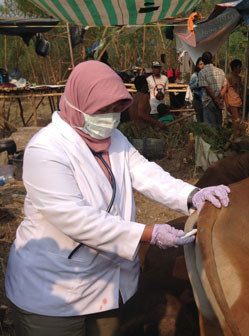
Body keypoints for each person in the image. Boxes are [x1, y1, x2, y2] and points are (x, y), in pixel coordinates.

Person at [5, 61, 230, 336]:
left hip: (104, 287)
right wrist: (149, 233)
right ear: (77, 105)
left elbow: (146, 173)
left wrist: (192, 194)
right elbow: (77, 219)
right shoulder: (46, 150)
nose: (111, 117)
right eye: (103, 110)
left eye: (115, 109)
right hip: (53, 291)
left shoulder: (114, 138)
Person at [198, 51, 226, 127]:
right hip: (219, 102)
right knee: (218, 125)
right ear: (212, 60)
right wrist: (219, 98)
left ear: (203, 61)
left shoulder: (202, 73)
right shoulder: (221, 71)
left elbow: (207, 88)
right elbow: (226, 86)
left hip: (208, 102)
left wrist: (216, 99)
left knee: (209, 127)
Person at [221, 59, 243, 135]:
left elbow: (241, 89)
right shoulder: (228, 77)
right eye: (239, 67)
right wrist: (227, 103)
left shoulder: (239, 78)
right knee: (236, 120)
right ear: (235, 67)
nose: (240, 69)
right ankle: (236, 136)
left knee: (238, 120)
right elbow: (225, 91)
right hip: (232, 102)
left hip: (238, 101)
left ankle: (237, 135)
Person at [190, 57, 205, 122]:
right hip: (198, 100)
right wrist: (197, 84)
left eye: (204, 64)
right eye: (201, 64)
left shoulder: (207, 74)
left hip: (206, 100)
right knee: (199, 119)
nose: (202, 66)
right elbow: (191, 86)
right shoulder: (195, 75)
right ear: (198, 65)